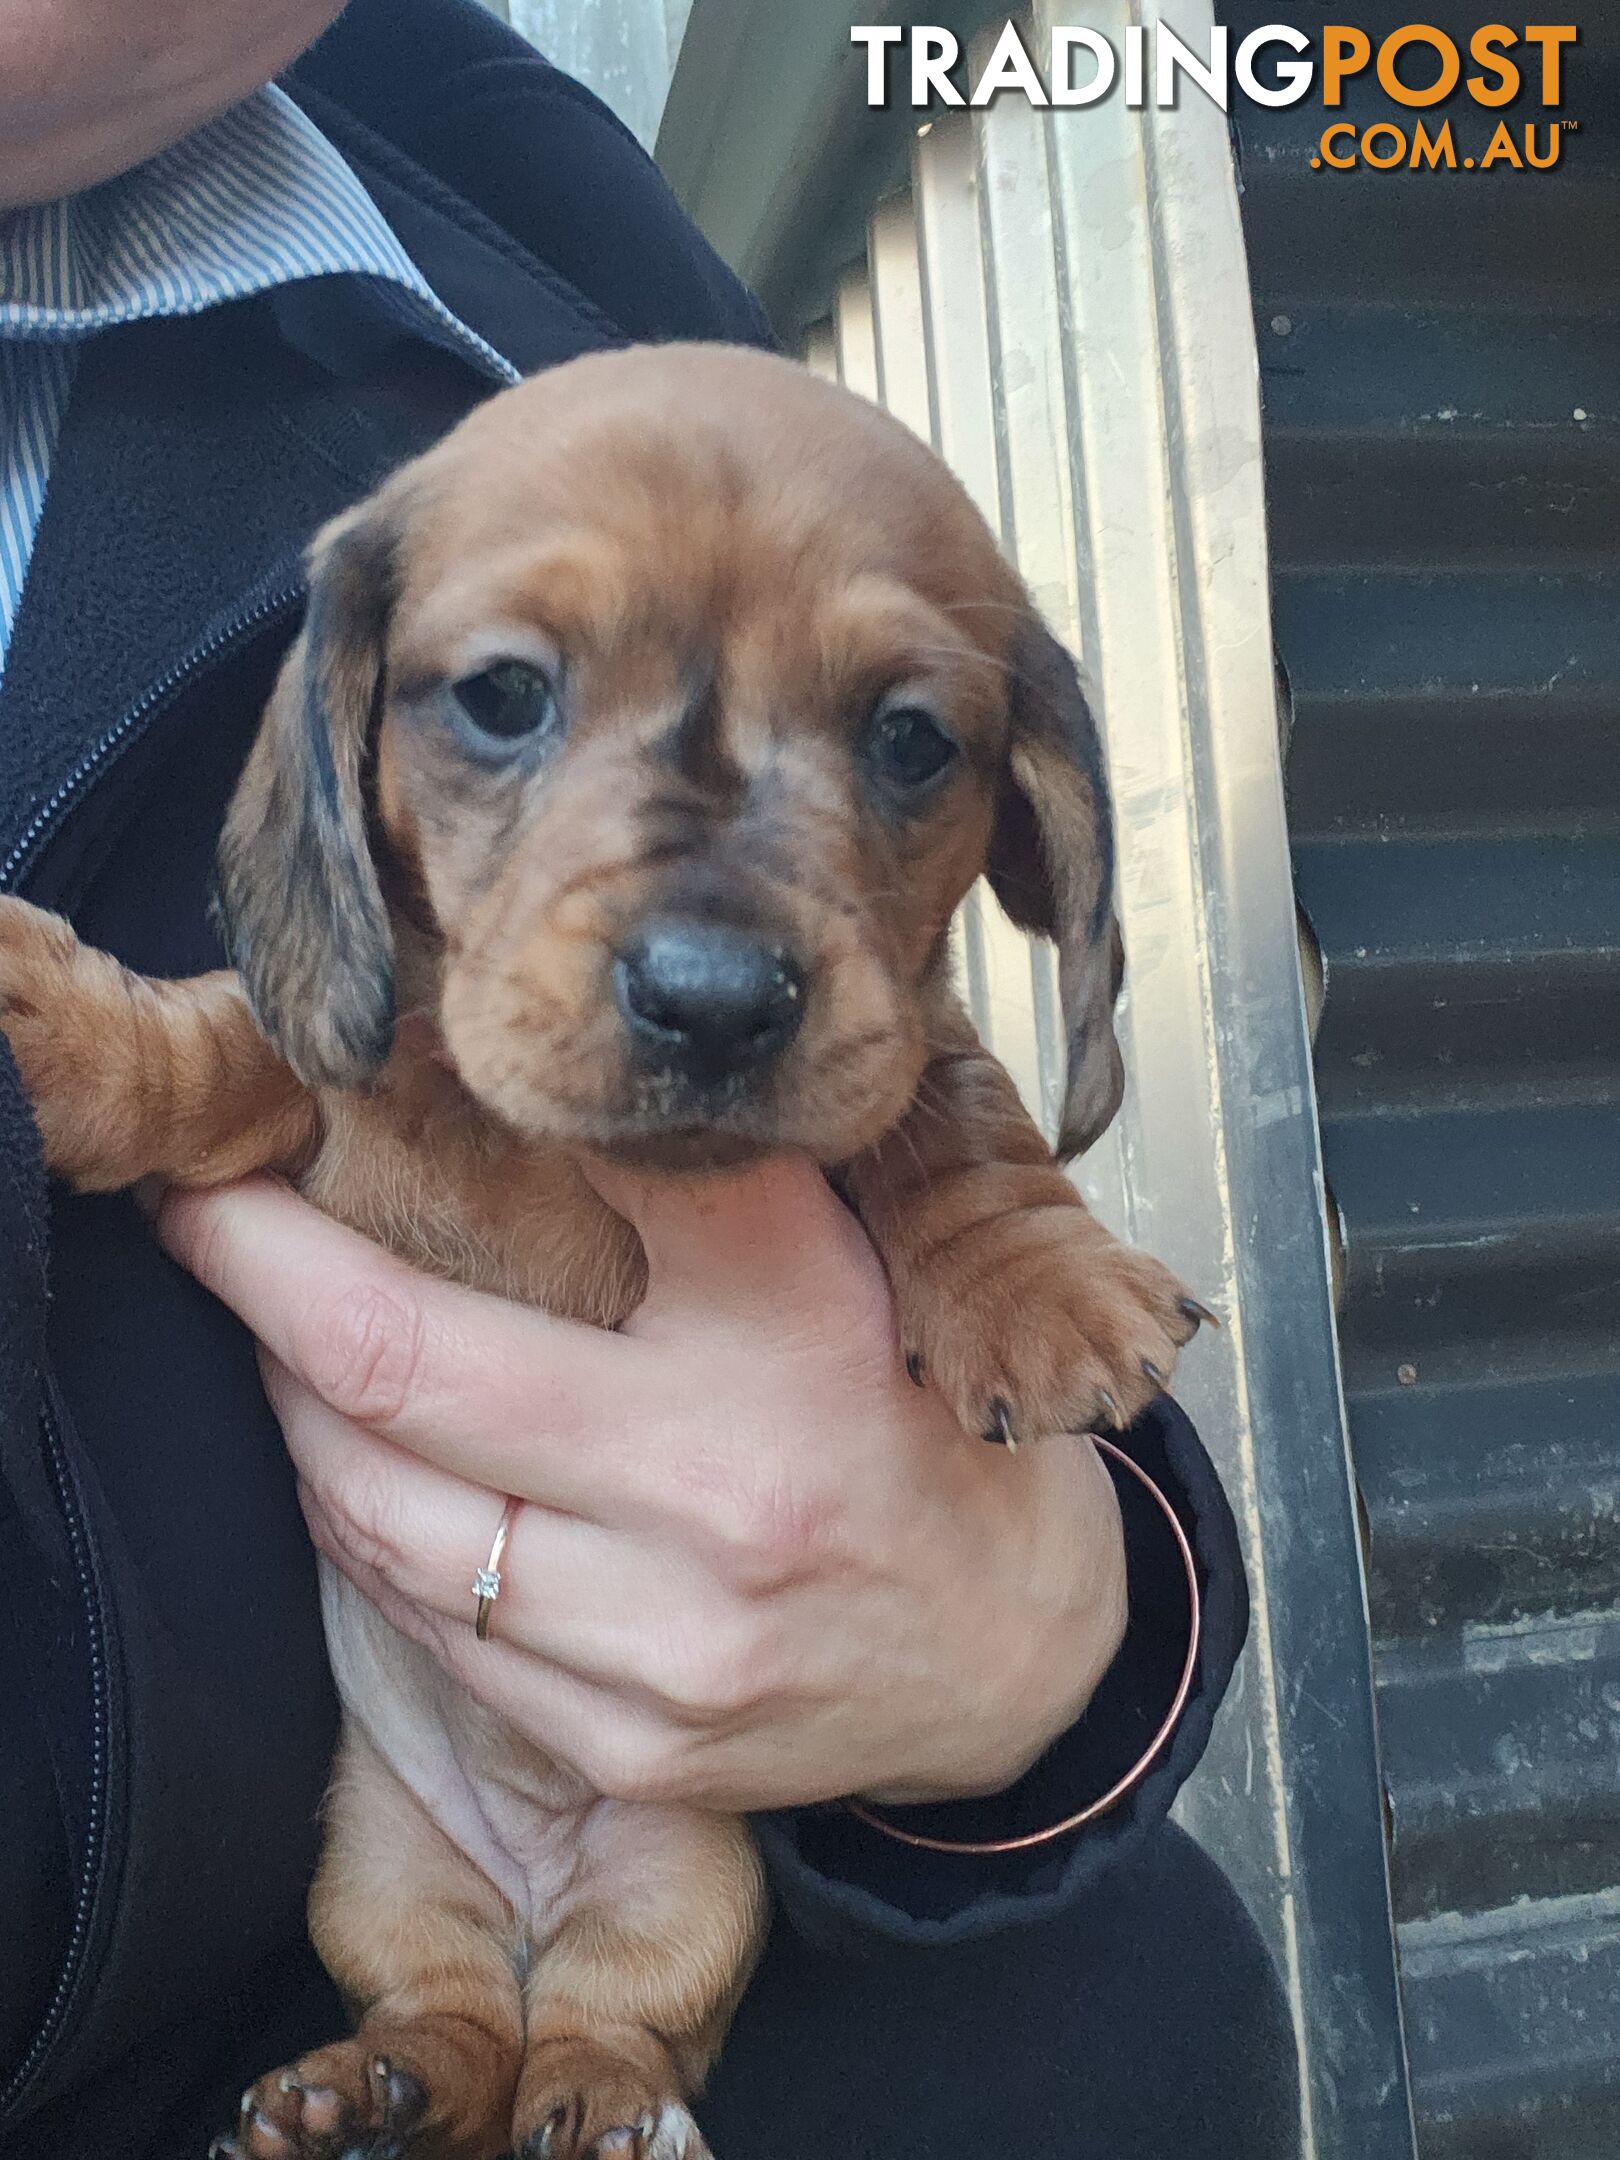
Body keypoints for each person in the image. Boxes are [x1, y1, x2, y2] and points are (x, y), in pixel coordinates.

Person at [0, 2, 1298, 2154]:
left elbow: (1064, 1440)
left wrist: (1068, 1626)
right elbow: (271, 1044)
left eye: (897, 748)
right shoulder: (362, 829)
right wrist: (149, 1063)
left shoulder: (531, 200)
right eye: (506, 699)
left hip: (713, 1875)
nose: (708, 954)